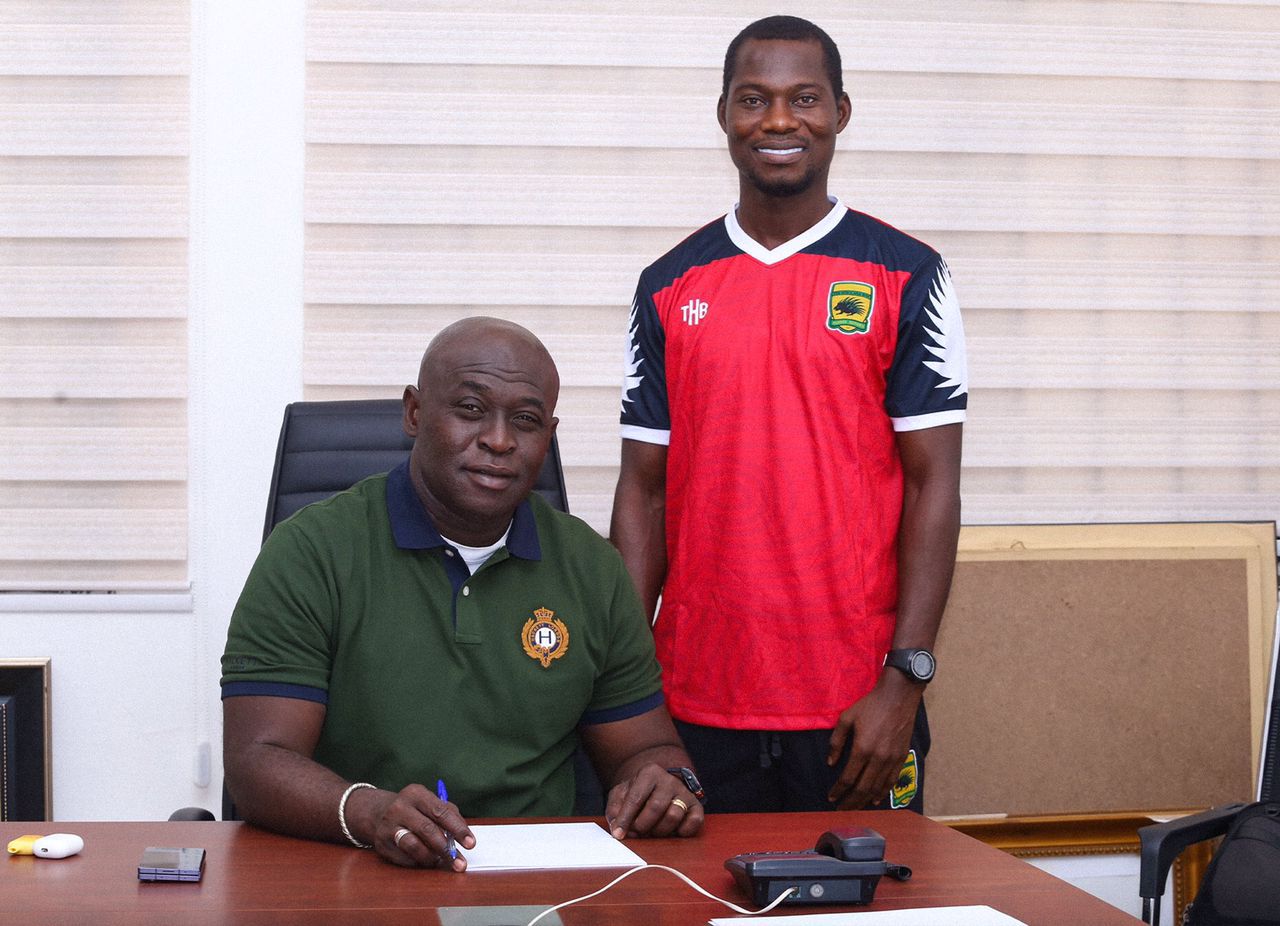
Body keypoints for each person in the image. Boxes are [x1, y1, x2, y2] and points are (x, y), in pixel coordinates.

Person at [610, 16, 966, 814]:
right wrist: (625, 696)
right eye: (753, 99)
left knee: (862, 886)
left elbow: (932, 487)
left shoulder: (908, 275)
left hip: (855, 707)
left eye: (804, 98)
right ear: (724, 115)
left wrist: (904, 681)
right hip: (693, 701)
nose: (778, 120)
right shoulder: (667, 284)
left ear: (841, 112)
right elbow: (644, 493)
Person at [222, 317, 704, 870]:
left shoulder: (592, 568)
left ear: (548, 435)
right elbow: (258, 760)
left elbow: (646, 749)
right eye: (471, 409)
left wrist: (662, 785)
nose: (499, 440)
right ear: (414, 413)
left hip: (538, 877)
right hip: (352, 866)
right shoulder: (311, 552)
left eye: (525, 420)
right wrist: (371, 813)